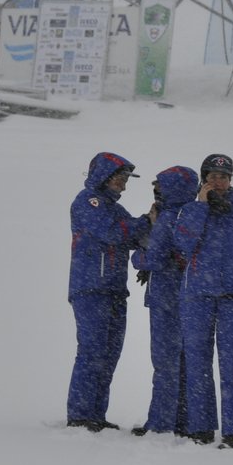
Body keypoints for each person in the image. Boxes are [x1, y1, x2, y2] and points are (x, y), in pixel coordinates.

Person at [173, 154, 233, 448]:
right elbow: (183, 245)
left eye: (224, 176)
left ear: (231, 179)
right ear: (204, 179)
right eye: (212, 176)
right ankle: (201, 427)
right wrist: (201, 207)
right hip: (197, 298)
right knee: (197, 363)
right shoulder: (191, 210)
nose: (219, 181)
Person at [66, 152, 155, 432]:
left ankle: (95, 414)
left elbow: (134, 236)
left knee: (108, 354)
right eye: (120, 177)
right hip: (91, 288)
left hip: (114, 289)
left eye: (126, 179)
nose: (124, 184)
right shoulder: (88, 202)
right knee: (92, 351)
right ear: (104, 175)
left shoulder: (114, 209)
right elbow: (115, 233)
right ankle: (80, 415)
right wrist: (148, 220)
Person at [130, 166, 205, 437]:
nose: (156, 192)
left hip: (165, 298)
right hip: (189, 297)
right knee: (185, 362)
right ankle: (183, 420)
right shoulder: (194, 216)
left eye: (159, 187)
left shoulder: (168, 218)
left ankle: (161, 422)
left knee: (165, 363)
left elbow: (154, 258)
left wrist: (138, 256)